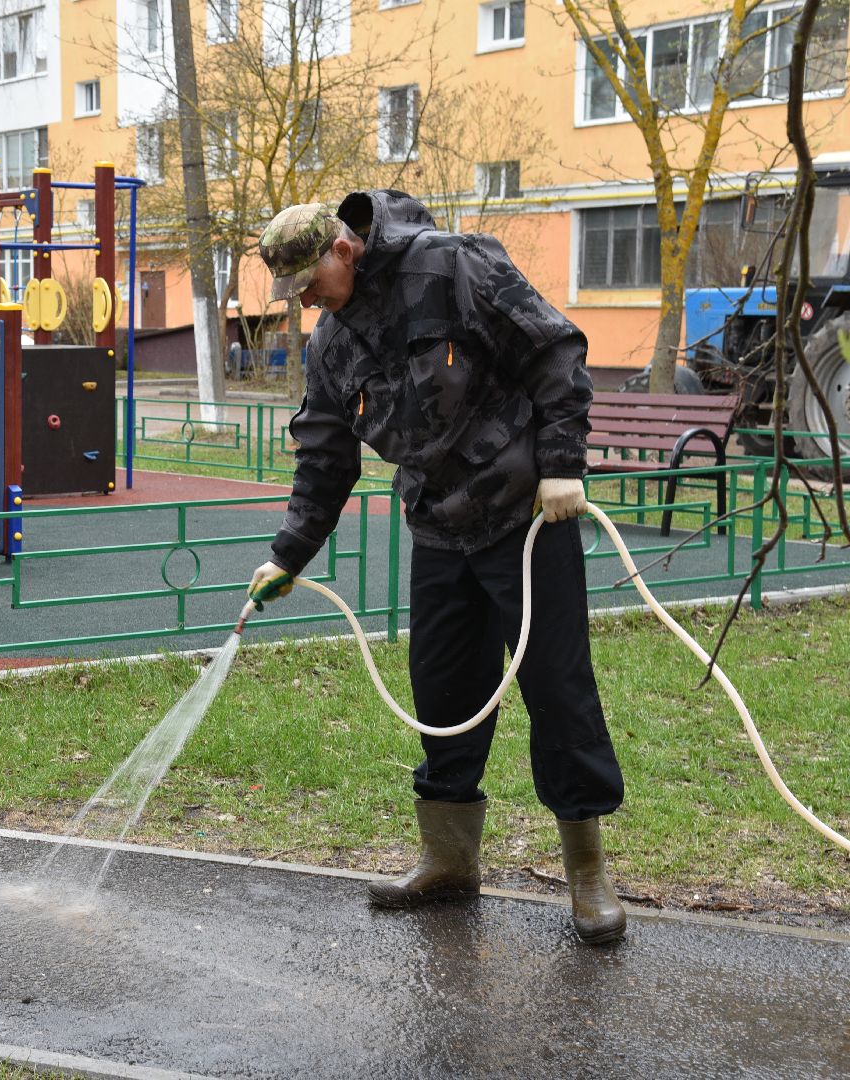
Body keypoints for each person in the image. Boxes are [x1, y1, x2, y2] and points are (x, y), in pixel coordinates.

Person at [247, 194, 626, 945]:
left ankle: (588, 876)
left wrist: (562, 466)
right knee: (444, 691)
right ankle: (449, 862)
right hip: (438, 529)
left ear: (344, 251)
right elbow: (325, 456)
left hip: (526, 518)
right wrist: (287, 555)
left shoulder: (454, 266)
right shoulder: (333, 346)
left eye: (310, 283)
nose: (308, 302)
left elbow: (554, 349)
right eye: (296, 294)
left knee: (557, 688)